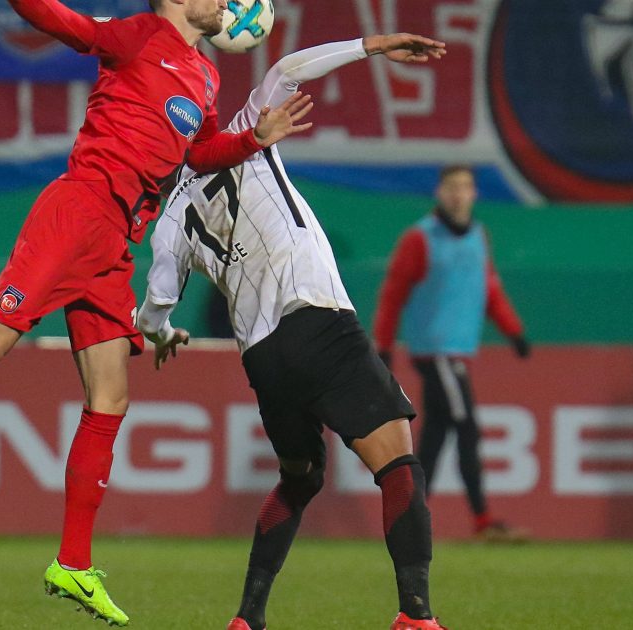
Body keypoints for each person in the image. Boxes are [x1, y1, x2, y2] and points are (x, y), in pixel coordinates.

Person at [0, 0, 311, 624]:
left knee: (110, 398)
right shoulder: (136, 37)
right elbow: (57, 19)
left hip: (116, 243)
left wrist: (252, 141)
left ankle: (72, 564)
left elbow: (200, 152)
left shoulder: (206, 75)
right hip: (78, 212)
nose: (227, 3)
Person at [135, 34, 449, 630]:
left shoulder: (168, 222)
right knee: (399, 466)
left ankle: (247, 618)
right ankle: (416, 617)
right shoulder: (246, 138)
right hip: (315, 319)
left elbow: (154, 306)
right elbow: (289, 66)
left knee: (300, 477)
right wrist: (375, 45)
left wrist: (163, 331)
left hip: (264, 359)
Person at [372, 165, 531, 541]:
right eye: (452, 187)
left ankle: (409, 515)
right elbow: (394, 294)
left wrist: (513, 331)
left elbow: (488, 289)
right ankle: (482, 518)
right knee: (468, 428)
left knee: (436, 437)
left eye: (465, 187)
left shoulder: (478, 237)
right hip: (437, 351)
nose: (459, 194)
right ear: (439, 193)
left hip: (459, 351)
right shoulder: (420, 239)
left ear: (475, 194)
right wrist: (384, 344)